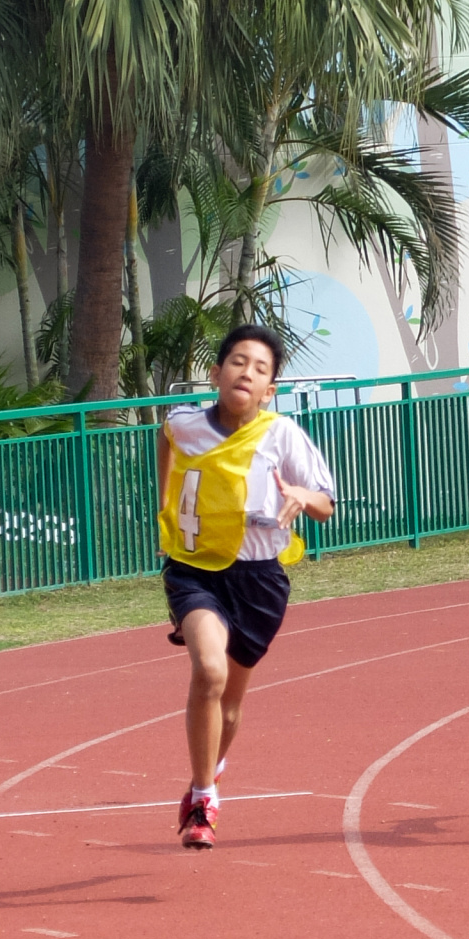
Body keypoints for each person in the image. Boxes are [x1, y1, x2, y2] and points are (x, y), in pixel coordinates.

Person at [156, 325, 336, 849]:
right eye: (238, 362)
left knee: (230, 706)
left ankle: (206, 774)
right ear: (216, 373)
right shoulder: (184, 424)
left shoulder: (283, 435)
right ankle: (204, 800)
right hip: (195, 573)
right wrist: (166, 507)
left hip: (259, 581)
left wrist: (301, 494)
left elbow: (326, 506)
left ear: (270, 390)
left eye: (260, 369)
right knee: (208, 671)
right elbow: (165, 440)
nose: (247, 373)